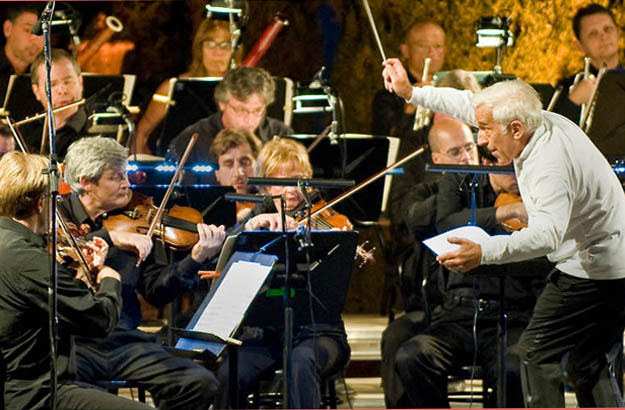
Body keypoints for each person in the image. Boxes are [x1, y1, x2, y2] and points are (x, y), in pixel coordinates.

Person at [383, 57, 625, 407]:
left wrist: (484, 252)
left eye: (485, 131)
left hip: (592, 270)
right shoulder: (533, 121)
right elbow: (467, 104)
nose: (480, 141)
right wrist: (410, 92)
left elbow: (545, 237)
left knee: (533, 355)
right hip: (612, 261)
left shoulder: (547, 163)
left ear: (514, 129)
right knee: (588, 363)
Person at [60, 136, 226, 410]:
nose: (127, 183)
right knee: (73, 393)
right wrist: (108, 237)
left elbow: (157, 292)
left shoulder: (138, 222)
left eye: (125, 174)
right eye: (115, 177)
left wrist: (195, 259)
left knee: (198, 382)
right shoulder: (59, 219)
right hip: (74, 342)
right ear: (86, 182)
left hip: (122, 340)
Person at [0, 151, 152, 410]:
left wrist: (81, 274)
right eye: (54, 199)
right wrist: (108, 277)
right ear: (40, 203)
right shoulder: (28, 259)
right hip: (35, 393)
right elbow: (99, 319)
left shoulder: (10, 243)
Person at [215, 137, 351, 409]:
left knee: (301, 362)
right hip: (265, 335)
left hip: (320, 333)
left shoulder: (326, 221)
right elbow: (223, 257)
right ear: (264, 185)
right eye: (281, 182)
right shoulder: (255, 219)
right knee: (230, 374)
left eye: (298, 180)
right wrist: (251, 225)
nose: (291, 192)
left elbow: (336, 280)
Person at [381, 116, 477, 408]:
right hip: (432, 305)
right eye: (455, 153)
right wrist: (451, 188)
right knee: (396, 337)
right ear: (437, 159)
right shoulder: (426, 192)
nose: (466, 158)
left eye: (470, 148)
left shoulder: (493, 186)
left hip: (478, 308)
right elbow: (412, 218)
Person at [167, 66, 293, 175]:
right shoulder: (191, 140)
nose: (249, 119)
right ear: (222, 103)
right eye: (241, 110)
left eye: (257, 110)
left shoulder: (281, 135)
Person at [136, 19, 235, 154]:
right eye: (210, 44)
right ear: (200, 49)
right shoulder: (172, 87)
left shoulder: (242, 90)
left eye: (225, 45)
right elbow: (142, 132)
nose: (218, 52)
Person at [553, 4, 622, 125]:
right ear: (580, 46)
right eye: (593, 33)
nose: (603, 36)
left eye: (607, 29)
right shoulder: (568, 89)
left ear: (618, 33)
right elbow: (552, 135)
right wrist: (572, 103)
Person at [22, 48, 87, 159]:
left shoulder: (97, 129)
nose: (62, 90)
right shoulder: (24, 134)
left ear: (80, 83)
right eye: (52, 85)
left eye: (68, 82)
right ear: (36, 91)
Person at [211, 127, 262, 220]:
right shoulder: (209, 212)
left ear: (257, 166)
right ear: (217, 173)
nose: (238, 173)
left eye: (245, 162)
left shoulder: (271, 207)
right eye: (229, 164)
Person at [1, 3, 43, 76]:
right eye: (28, 30)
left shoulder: (45, 71)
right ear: (8, 29)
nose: (36, 39)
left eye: (41, 32)